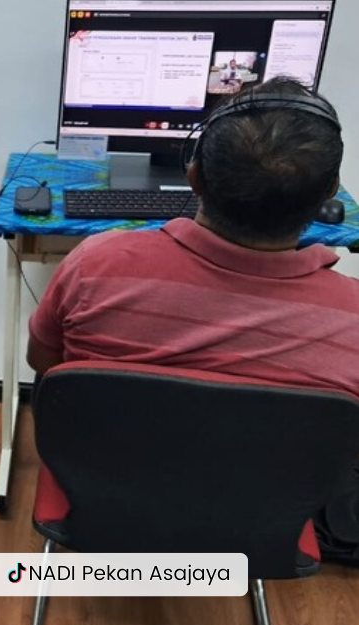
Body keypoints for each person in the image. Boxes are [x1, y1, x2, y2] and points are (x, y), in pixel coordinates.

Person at [26, 77, 359, 563]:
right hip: (256, 521)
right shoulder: (352, 319)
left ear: (195, 175)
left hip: (102, 501)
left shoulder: (94, 263)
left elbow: (43, 362)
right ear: (330, 194)